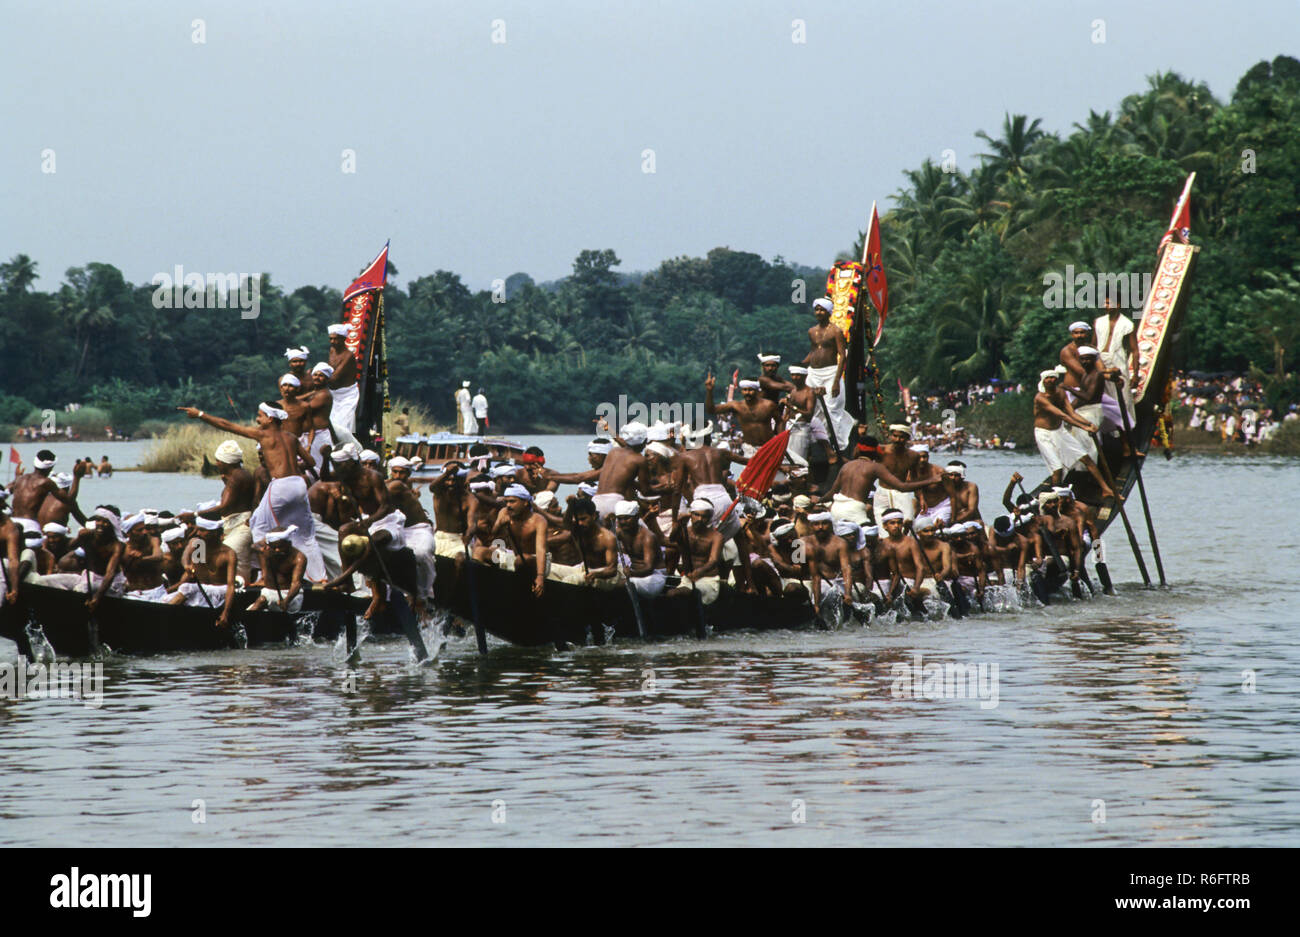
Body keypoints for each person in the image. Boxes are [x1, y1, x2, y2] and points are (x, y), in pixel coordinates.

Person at [176, 402, 327, 580]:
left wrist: (200, 414)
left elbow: (227, 425)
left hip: (281, 486)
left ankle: (265, 577)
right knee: (306, 534)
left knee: (258, 526)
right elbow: (310, 463)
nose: (257, 419)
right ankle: (320, 578)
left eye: (260, 415)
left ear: (270, 419)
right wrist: (291, 465)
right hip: (299, 485)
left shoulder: (263, 435)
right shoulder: (291, 437)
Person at [1031, 371, 1116, 500]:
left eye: (1053, 378)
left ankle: (1106, 489)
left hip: (1059, 431)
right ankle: (1056, 500)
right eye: (1047, 378)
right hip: (1044, 434)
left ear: (1056, 380)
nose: (1050, 380)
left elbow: (1071, 412)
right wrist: (1084, 427)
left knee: (1086, 459)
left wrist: (1089, 424)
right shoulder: (1040, 397)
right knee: (1057, 468)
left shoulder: (1061, 393)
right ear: (1043, 381)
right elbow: (1062, 415)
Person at [826, 435, 925, 525]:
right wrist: (931, 480)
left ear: (857, 449)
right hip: (855, 510)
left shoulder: (846, 466)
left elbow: (831, 493)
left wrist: (819, 501)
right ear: (876, 452)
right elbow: (902, 487)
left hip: (836, 509)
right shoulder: (875, 467)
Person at [474, 483, 548, 598]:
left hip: (535, 561)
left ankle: (518, 595)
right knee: (479, 551)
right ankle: (484, 591)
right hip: (513, 556)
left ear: (525, 502)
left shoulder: (538, 521)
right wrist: (498, 524)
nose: (508, 505)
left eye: (512, 501)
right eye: (506, 501)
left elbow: (541, 550)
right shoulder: (504, 512)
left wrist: (540, 576)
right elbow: (492, 537)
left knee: (520, 560)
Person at [166, 514, 237, 627]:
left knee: (187, 588)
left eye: (203, 530)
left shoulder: (228, 554)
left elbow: (230, 586)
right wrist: (186, 566)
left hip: (219, 593)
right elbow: (185, 557)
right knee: (185, 587)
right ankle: (164, 615)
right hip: (200, 588)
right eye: (198, 530)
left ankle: (164, 615)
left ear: (214, 532)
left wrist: (225, 613)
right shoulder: (199, 546)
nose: (198, 533)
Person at [802, 297, 853, 447]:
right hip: (813, 373)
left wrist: (837, 380)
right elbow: (812, 352)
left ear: (828, 312)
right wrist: (800, 365)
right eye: (816, 309)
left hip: (831, 373)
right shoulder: (811, 331)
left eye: (822, 310)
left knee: (832, 410)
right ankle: (817, 441)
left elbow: (842, 355)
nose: (818, 312)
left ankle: (836, 444)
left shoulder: (835, 331)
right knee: (813, 407)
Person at [387, 456, 436, 606]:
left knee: (421, 554)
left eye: (402, 472)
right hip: (396, 529)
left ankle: (422, 596)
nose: (398, 476)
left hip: (417, 529)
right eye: (395, 472)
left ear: (408, 474)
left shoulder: (403, 485)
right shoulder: (386, 485)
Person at [203, 440, 256, 580]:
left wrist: (194, 514)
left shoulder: (238, 477)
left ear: (227, 462)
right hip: (231, 525)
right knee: (203, 549)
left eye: (218, 461)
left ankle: (240, 587)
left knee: (233, 557)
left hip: (241, 525)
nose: (217, 464)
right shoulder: (235, 477)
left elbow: (224, 507)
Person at [665, 499, 724, 605]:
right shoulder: (685, 531)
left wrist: (700, 571)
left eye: (704, 516)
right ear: (691, 514)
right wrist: (678, 523)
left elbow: (713, 560)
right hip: (688, 579)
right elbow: (672, 539)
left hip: (708, 580)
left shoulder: (717, 537)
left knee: (673, 594)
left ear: (709, 518)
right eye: (696, 515)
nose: (700, 519)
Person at [704, 373, 778, 456]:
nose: (747, 392)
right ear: (741, 391)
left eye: (751, 390)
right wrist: (709, 391)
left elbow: (780, 422)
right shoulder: (736, 406)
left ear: (757, 391)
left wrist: (781, 442)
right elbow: (711, 410)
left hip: (768, 448)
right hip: (749, 449)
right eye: (745, 390)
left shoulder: (769, 405)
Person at [248, 528, 307, 612]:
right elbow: (254, 546)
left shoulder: (298, 557)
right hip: (268, 592)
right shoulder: (268, 549)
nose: (277, 550)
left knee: (261, 602)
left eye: (280, 546)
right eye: (274, 547)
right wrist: (262, 550)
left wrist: (286, 601)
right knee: (259, 603)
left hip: (288, 594)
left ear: (288, 543)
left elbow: (296, 584)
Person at [874, 425, 922, 523]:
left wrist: (921, 498)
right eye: (895, 436)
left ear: (908, 438)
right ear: (891, 436)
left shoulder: (913, 456)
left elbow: (915, 480)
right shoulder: (880, 450)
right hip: (882, 492)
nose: (897, 439)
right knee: (882, 525)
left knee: (908, 522)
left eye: (901, 437)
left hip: (902, 493)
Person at [326, 324, 361, 434]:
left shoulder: (348, 356)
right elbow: (329, 370)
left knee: (343, 428)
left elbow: (333, 378)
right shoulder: (332, 350)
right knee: (330, 426)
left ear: (343, 339)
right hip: (333, 395)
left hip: (347, 396)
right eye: (331, 338)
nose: (332, 341)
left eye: (336, 339)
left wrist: (316, 376)